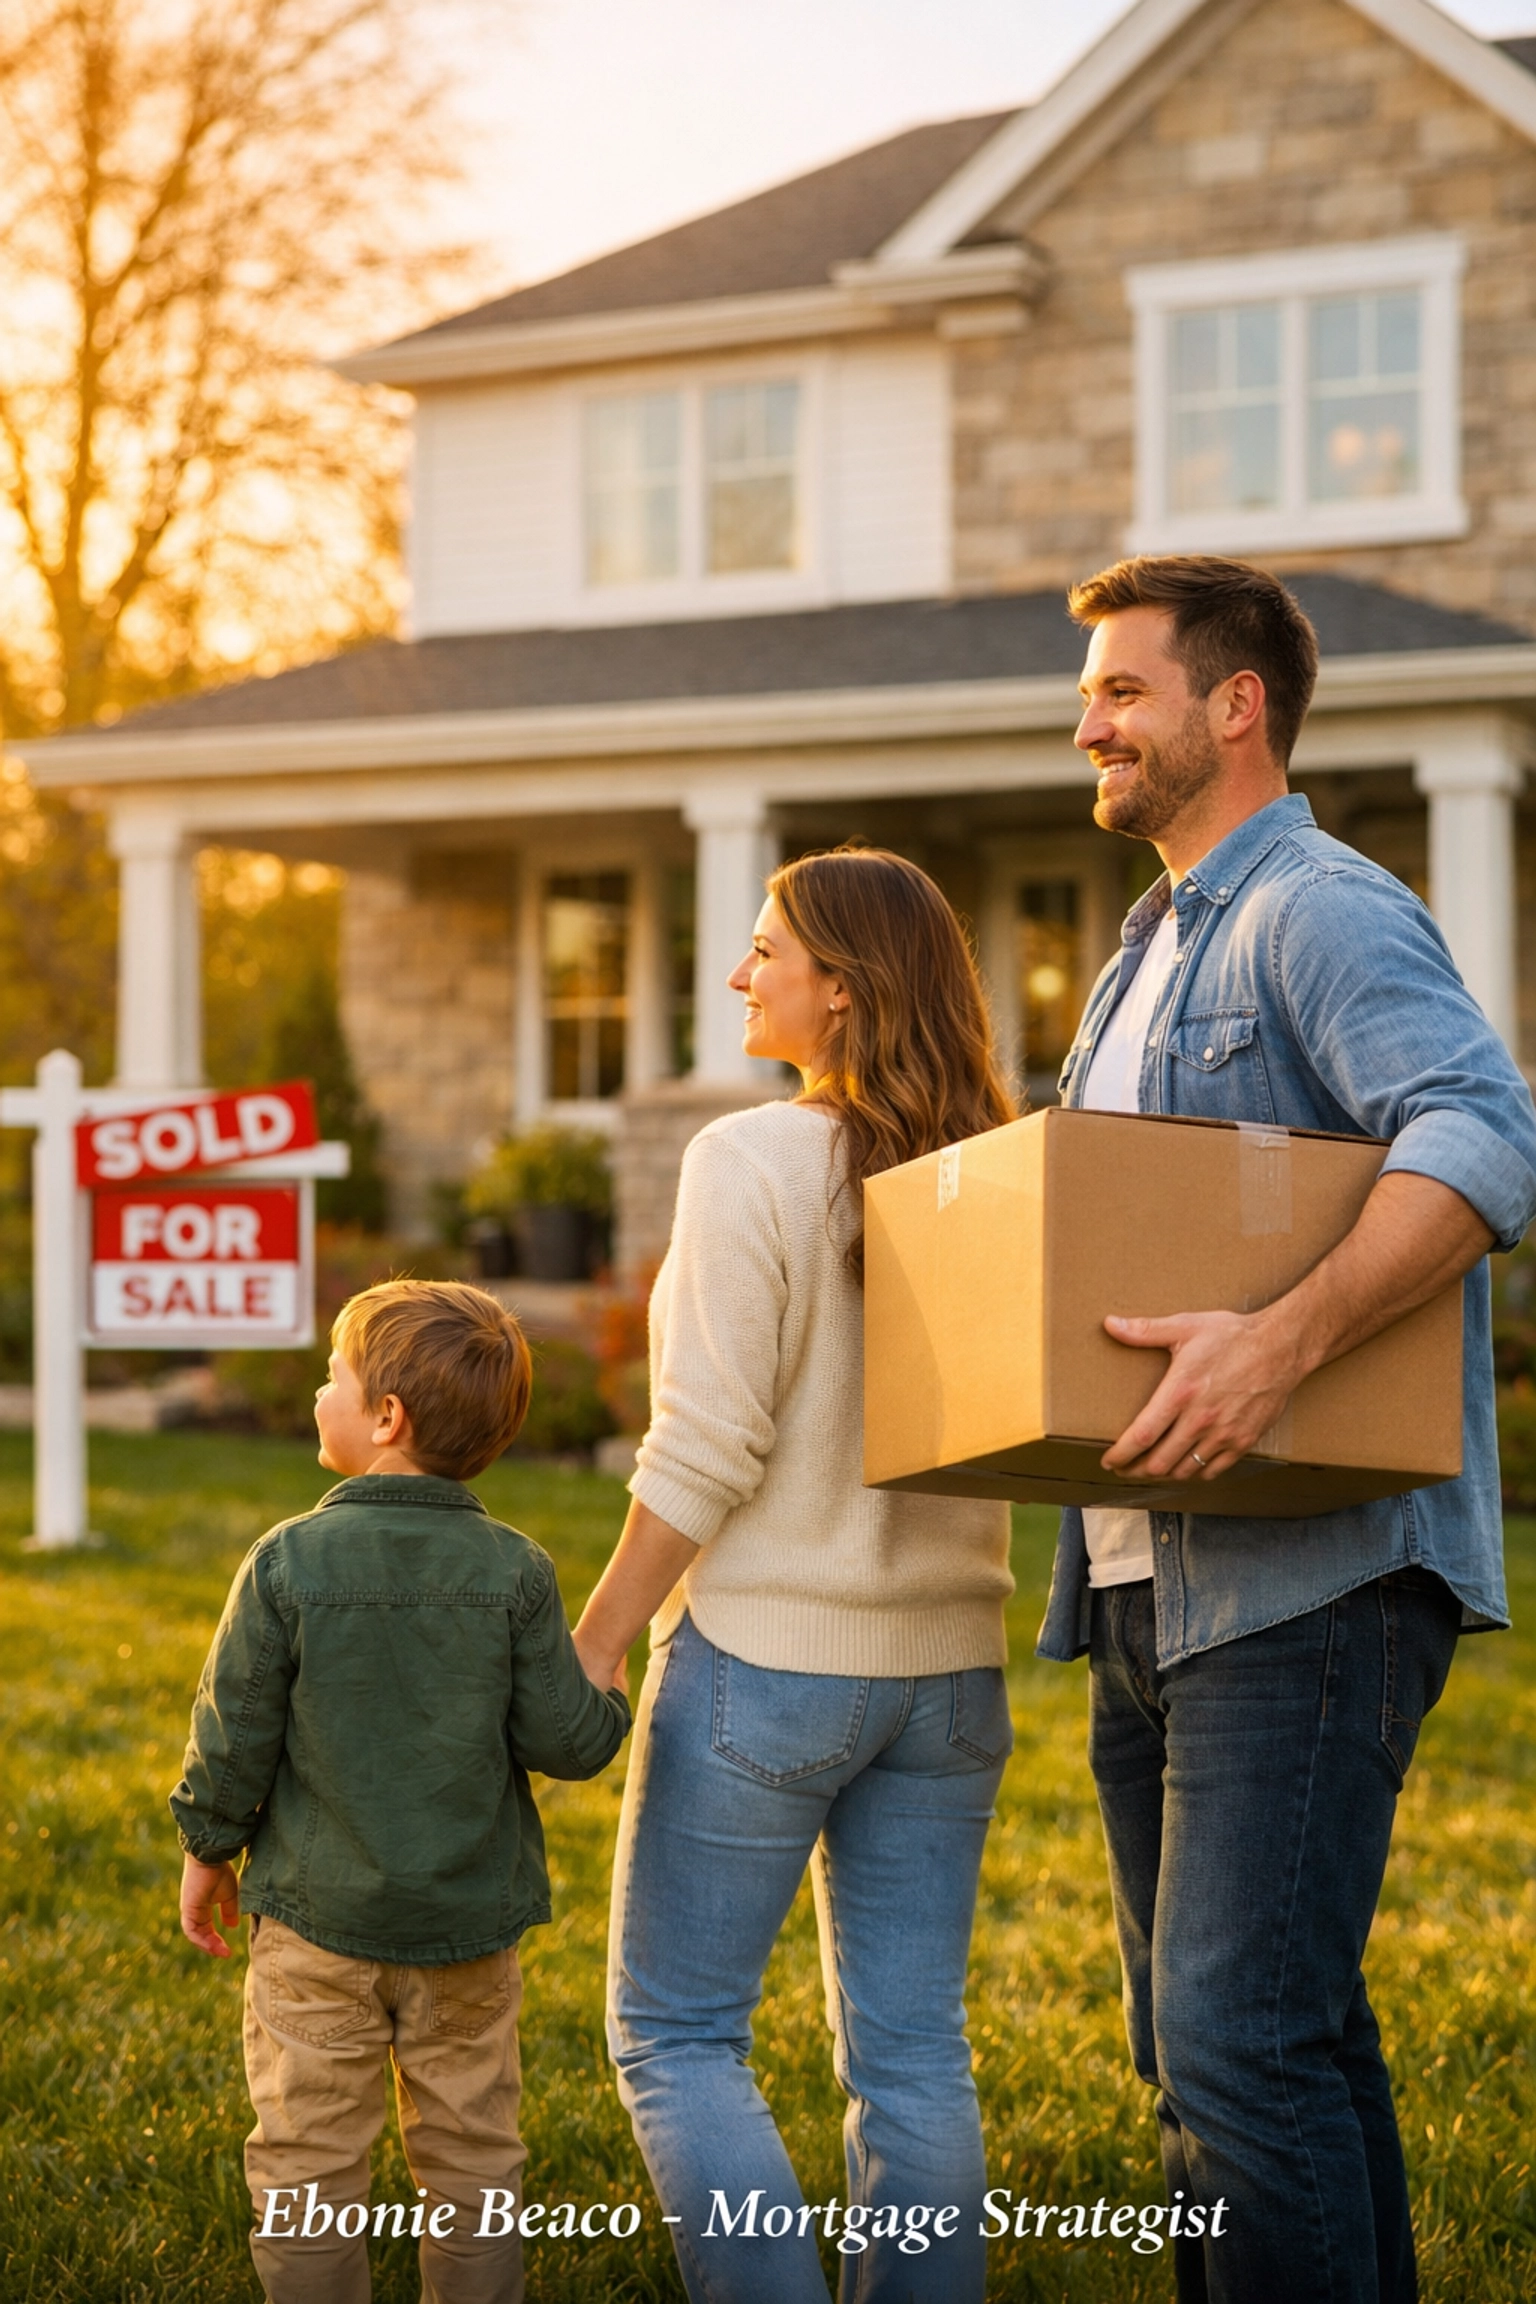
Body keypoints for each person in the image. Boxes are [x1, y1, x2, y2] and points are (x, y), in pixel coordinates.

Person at [1039, 553, 1536, 2304]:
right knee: (1232, 2051)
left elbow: (1480, 1135)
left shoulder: (1316, 907)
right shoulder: (1136, 957)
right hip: (1142, 1577)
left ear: (1232, 703)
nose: (1083, 717)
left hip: (1305, 1579)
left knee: (1240, 2044)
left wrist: (1280, 1342)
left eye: (1120, 689)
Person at [573, 848, 1017, 2304]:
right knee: (912, 2053)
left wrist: (602, 1630)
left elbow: (706, 1438)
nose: (738, 975)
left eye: (765, 950)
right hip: (951, 1677)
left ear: (841, 987)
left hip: (770, 1669)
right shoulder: (992, 1173)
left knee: (680, 2037)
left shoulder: (751, 1157)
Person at [170, 1279, 630, 2304]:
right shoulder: (518, 1572)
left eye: (334, 1376)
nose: (319, 1391)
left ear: (386, 1418)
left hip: (316, 1929)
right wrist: (610, 1697)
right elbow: (566, 1741)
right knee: (473, 2164)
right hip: (468, 1934)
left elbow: (233, 1729)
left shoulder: (287, 1561)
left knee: (308, 2167)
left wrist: (207, 1845)